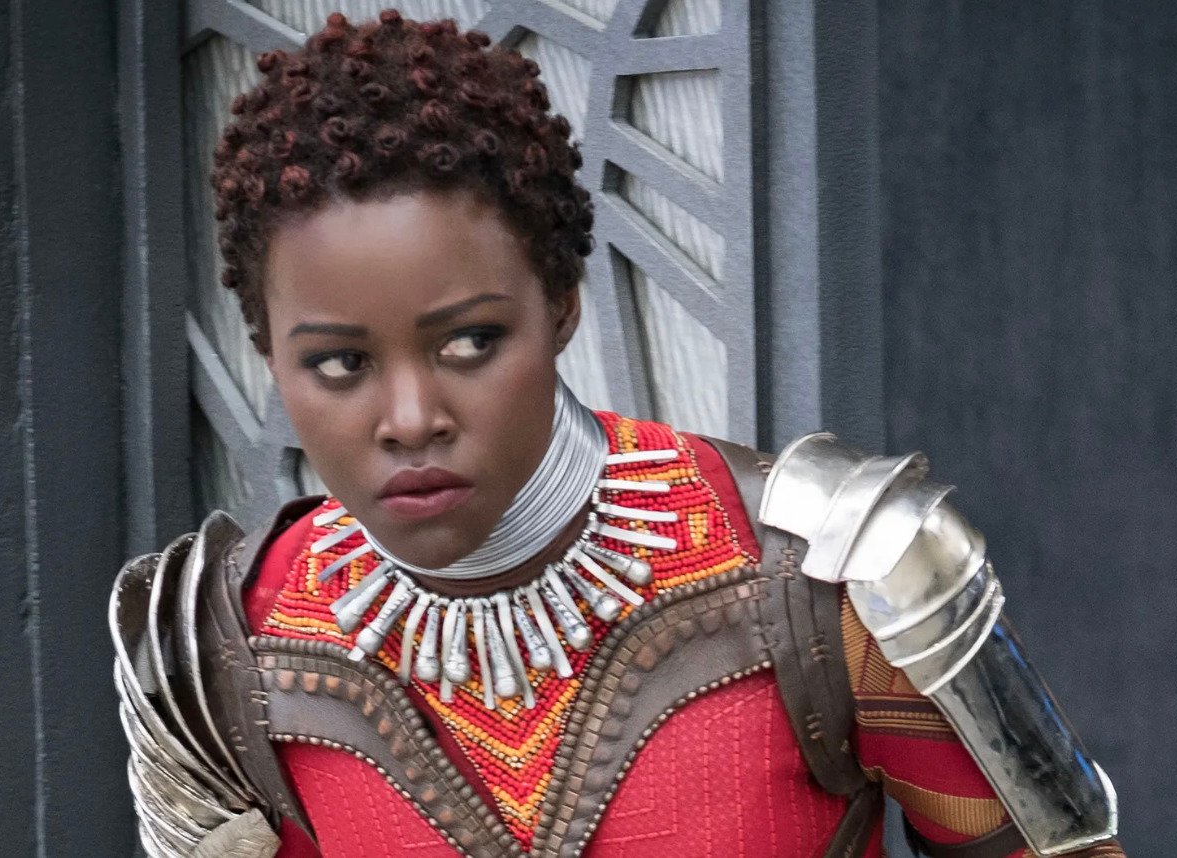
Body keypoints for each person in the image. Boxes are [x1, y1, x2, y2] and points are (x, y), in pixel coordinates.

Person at [109, 10, 1122, 857]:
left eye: (469, 341)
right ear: (265, 352)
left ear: (561, 305)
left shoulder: (839, 575)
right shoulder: (210, 656)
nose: (410, 419)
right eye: (338, 363)